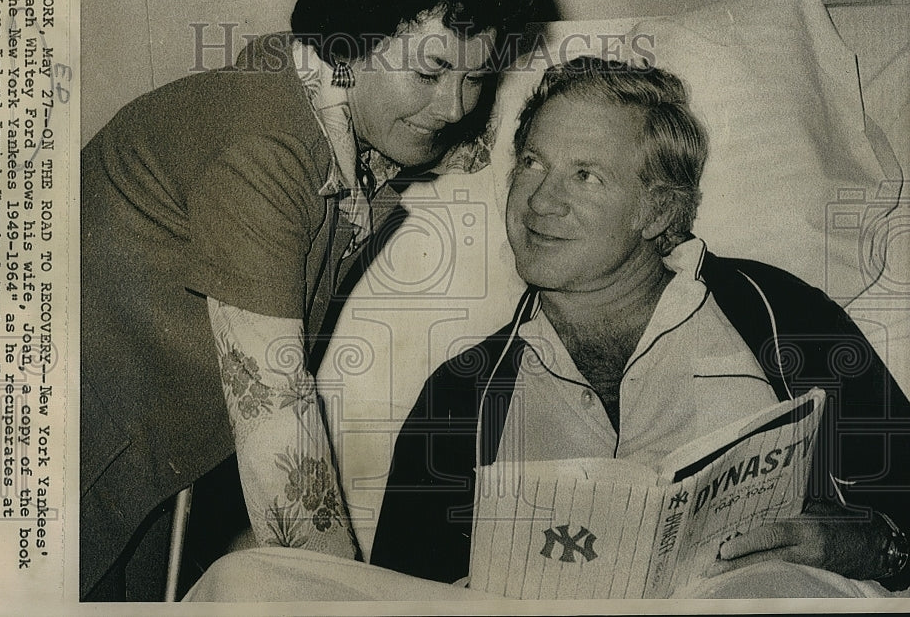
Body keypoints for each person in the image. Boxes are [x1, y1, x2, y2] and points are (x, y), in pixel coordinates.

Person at [79, 0, 540, 599]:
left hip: (134, 483)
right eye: (431, 70)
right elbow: (278, 433)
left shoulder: (318, 112)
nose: (453, 105)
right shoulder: (266, 146)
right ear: (352, 38)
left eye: (476, 78)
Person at [370, 57, 910, 596]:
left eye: (585, 175)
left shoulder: (781, 316)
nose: (539, 202)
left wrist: (878, 547)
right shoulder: (459, 397)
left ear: (656, 212)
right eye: (533, 163)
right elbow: (390, 600)